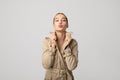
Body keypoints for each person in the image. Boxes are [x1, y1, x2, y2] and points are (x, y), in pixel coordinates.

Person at [42, 13, 78, 80]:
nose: (60, 22)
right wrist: (52, 45)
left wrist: (67, 46)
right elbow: (46, 65)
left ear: (67, 25)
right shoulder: (47, 41)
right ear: (53, 25)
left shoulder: (73, 43)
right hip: (50, 77)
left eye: (63, 20)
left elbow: (72, 66)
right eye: (57, 20)